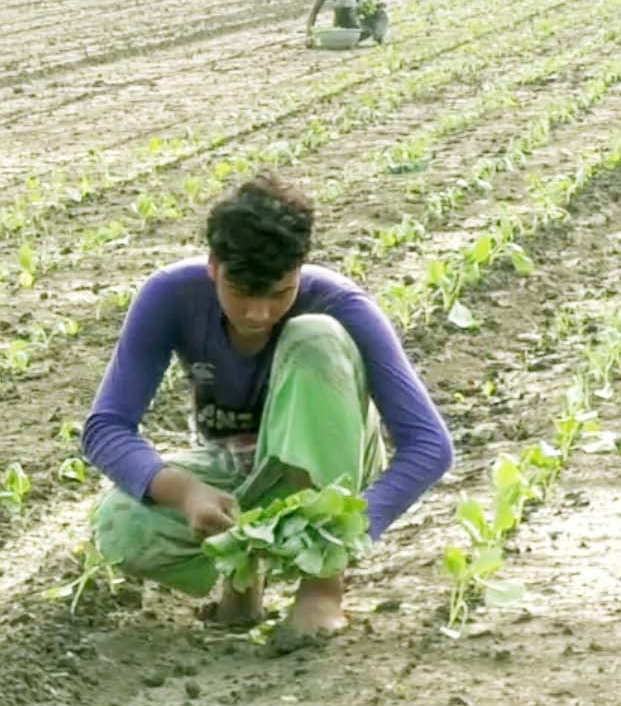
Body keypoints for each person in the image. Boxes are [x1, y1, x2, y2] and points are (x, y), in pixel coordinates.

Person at [81, 174, 452, 635]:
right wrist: (188, 492)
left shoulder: (339, 303)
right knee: (120, 525)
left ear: (300, 269)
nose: (259, 313)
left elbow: (429, 444)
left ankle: (322, 587)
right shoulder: (171, 296)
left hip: (334, 472)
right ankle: (241, 575)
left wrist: (348, 533)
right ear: (213, 267)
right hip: (239, 469)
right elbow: (106, 428)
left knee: (314, 336)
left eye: (279, 293)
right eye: (241, 292)